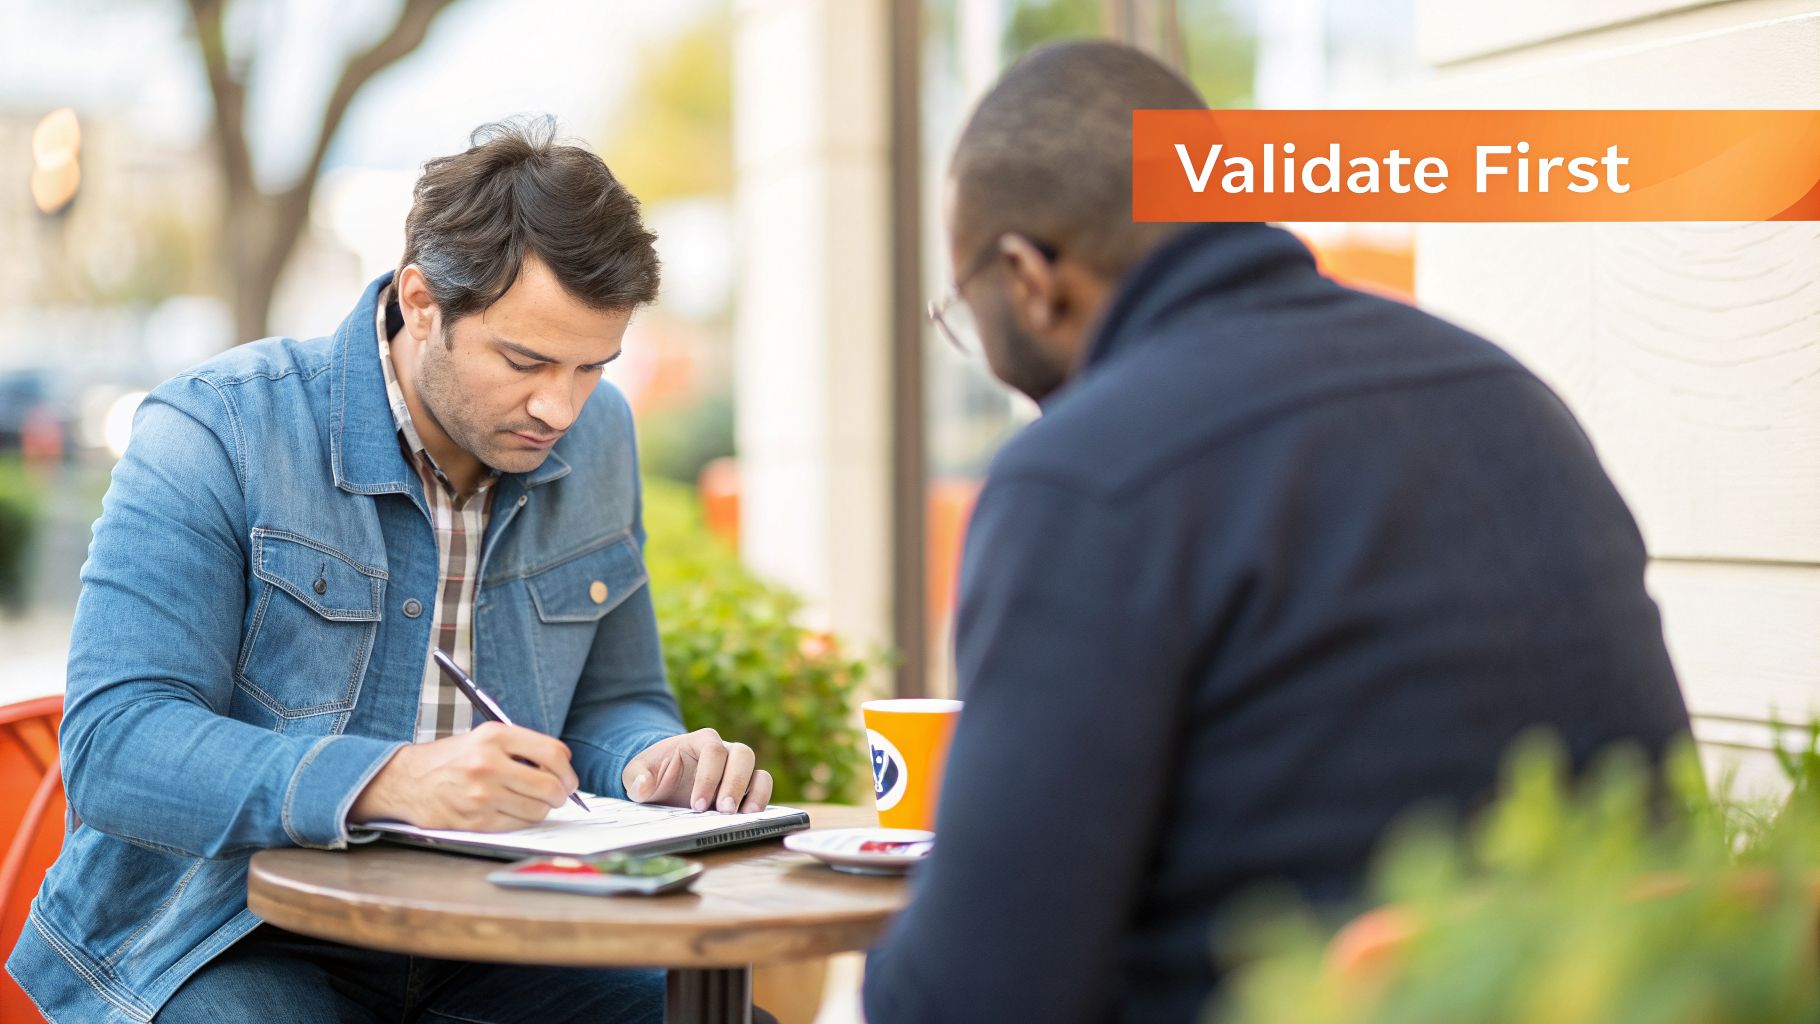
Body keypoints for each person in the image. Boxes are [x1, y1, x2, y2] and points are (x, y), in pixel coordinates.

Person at [861, 41, 1692, 1023]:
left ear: (1028, 276)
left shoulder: (1086, 475)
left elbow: (973, 998)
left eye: (965, 309)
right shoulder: (1508, 393)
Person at [8, 118, 776, 1024]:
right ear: (421, 300)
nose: (558, 407)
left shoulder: (599, 436)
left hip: (492, 932)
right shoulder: (219, 429)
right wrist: (387, 781)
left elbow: (616, 698)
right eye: (525, 360)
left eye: (591, 367)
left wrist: (656, 760)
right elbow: (117, 745)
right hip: (225, 928)